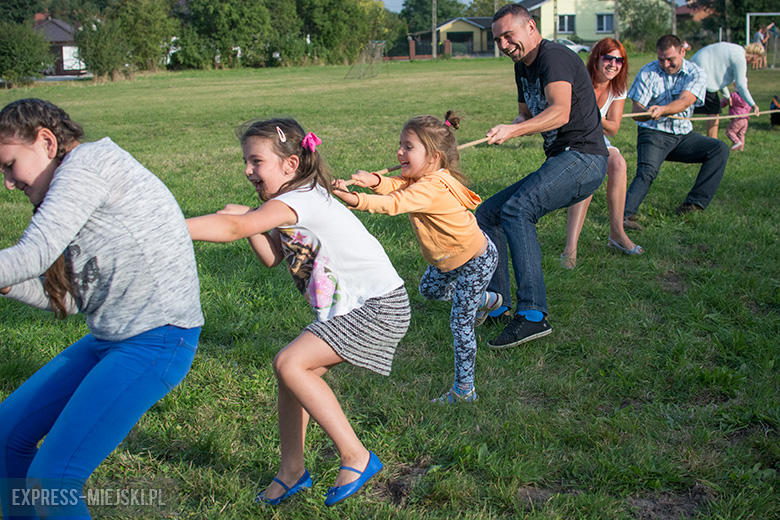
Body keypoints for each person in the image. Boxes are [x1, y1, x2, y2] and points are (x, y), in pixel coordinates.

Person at [186, 118, 410, 507]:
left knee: (290, 363)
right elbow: (273, 257)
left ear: (290, 164)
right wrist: (254, 223)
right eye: (246, 162)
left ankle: (356, 455)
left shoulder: (301, 200)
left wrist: (169, 226)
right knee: (292, 375)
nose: (247, 170)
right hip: (357, 308)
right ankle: (292, 472)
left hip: (377, 307)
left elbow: (233, 228)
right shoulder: (294, 198)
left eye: (257, 161)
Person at [0, 98, 204, 518]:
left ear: (46, 141)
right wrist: (8, 285)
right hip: (110, 340)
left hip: (158, 340)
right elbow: (72, 299)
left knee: (53, 480)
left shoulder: (88, 166)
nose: (7, 182)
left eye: (8, 165)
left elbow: (34, 253)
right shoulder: (73, 185)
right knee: (6, 435)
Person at [333, 112, 500, 404]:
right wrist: (374, 180)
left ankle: (464, 391)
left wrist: (355, 200)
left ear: (434, 156)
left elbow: (397, 202)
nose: (399, 152)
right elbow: (398, 186)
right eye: (401, 145)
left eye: (408, 147)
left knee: (460, 323)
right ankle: (485, 300)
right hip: (448, 259)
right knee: (429, 289)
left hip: (475, 259)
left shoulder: (431, 187)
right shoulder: (424, 178)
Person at [474, 3, 608, 348]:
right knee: (488, 213)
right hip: (562, 159)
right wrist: (512, 126)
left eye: (509, 35)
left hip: (584, 159)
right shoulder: (523, 67)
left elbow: (560, 112)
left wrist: (515, 132)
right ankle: (496, 303)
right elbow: (526, 114)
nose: (503, 45)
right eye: (498, 39)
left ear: (531, 27)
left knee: (517, 210)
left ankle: (533, 315)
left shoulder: (554, 57)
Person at [624, 34, 730, 227]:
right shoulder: (648, 72)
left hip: (683, 136)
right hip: (653, 133)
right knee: (646, 172)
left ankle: (693, 204)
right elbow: (636, 112)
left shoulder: (696, 73)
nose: (665, 64)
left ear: (682, 52)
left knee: (719, 149)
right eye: (661, 59)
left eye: (670, 59)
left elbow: (685, 101)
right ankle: (625, 216)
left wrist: (663, 109)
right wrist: (647, 114)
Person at [561, 38, 643, 269]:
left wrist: (592, 113)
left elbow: (614, 127)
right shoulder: (580, 81)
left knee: (618, 163)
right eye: (608, 58)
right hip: (571, 137)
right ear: (597, 58)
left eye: (619, 60)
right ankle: (570, 248)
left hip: (597, 137)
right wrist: (597, 118)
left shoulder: (618, 87)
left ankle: (617, 234)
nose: (613, 64)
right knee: (589, 169)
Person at [690, 42, 763, 139]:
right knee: (714, 109)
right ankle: (712, 142)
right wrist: (753, 104)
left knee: (688, 104)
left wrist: (727, 97)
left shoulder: (737, 50)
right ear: (755, 57)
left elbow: (719, 76)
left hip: (694, 66)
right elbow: (741, 86)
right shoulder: (740, 59)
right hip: (702, 72)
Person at [719, 86, 752, 151]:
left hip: (737, 119)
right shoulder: (747, 97)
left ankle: (737, 142)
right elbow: (750, 107)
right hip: (745, 119)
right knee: (741, 134)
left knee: (730, 132)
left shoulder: (733, 96)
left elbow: (724, 102)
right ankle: (741, 149)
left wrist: (718, 106)